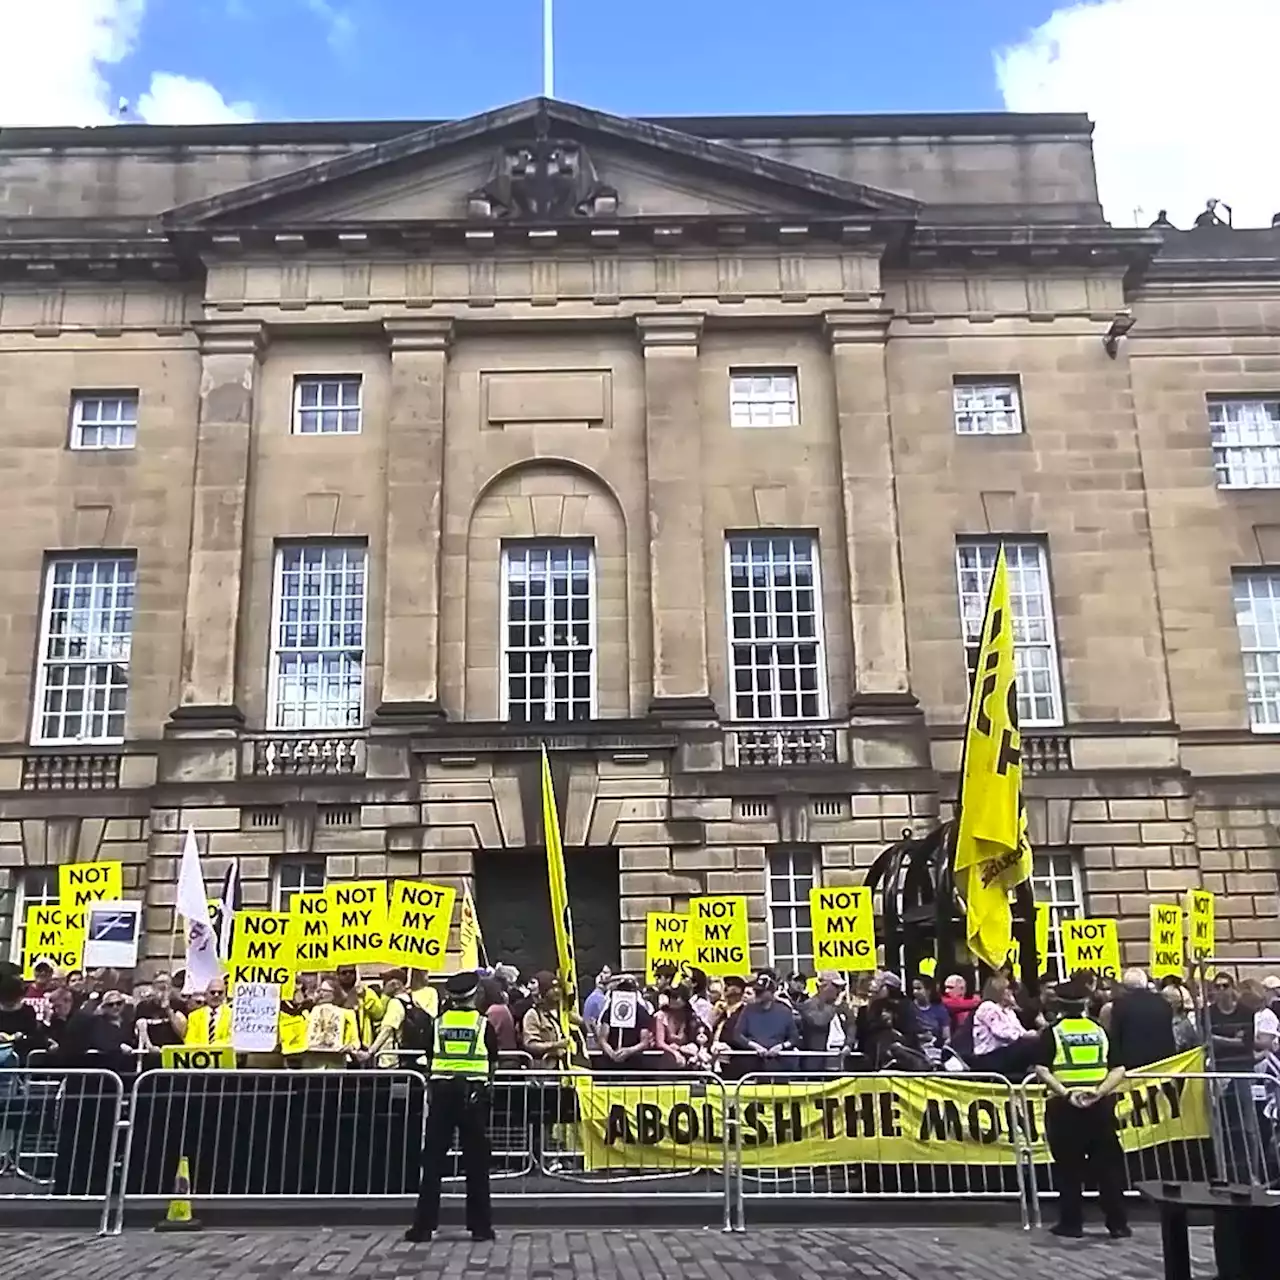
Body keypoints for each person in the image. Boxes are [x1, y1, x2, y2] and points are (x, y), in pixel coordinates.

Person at [406, 971, 498, 1245]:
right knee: (476, 1163)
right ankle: (481, 1227)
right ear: (474, 995)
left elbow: (431, 1056)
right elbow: (493, 1061)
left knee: (433, 1161)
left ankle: (423, 1227)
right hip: (473, 1095)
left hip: (442, 1094)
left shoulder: (438, 1023)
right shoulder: (484, 1025)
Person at [1033, 978, 1129, 1240]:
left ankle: (1071, 1223)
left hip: (1064, 1108)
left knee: (1068, 1168)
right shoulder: (1100, 1031)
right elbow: (1118, 1068)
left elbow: (1042, 1069)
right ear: (1086, 1003)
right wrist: (1099, 1092)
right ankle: (1117, 1223)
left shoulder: (1052, 1032)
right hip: (1099, 1108)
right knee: (1108, 1169)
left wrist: (1065, 1093)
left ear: (1059, 1005)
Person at [970, 975, 1043, 1077]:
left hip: (1005, 1052)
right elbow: (1001, 1033)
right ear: (998, 991)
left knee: (1039, 1041)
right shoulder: (987, 1007)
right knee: (1027, 1044)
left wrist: (1032, 1034)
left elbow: (1019, 1030)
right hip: (989, 1056)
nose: (1011, 992)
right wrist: (1024, 1036)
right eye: (1007, 989)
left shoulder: (1009, 1011)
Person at [183, 978, 232, 1046]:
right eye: (212, 992)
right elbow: (190, 1041)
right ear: (206, 995)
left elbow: (232, 1039)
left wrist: (216, 1046)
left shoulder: (233, 1015)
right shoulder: (194, 1016)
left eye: (220, 993)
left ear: (225, 995)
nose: (216, 995)